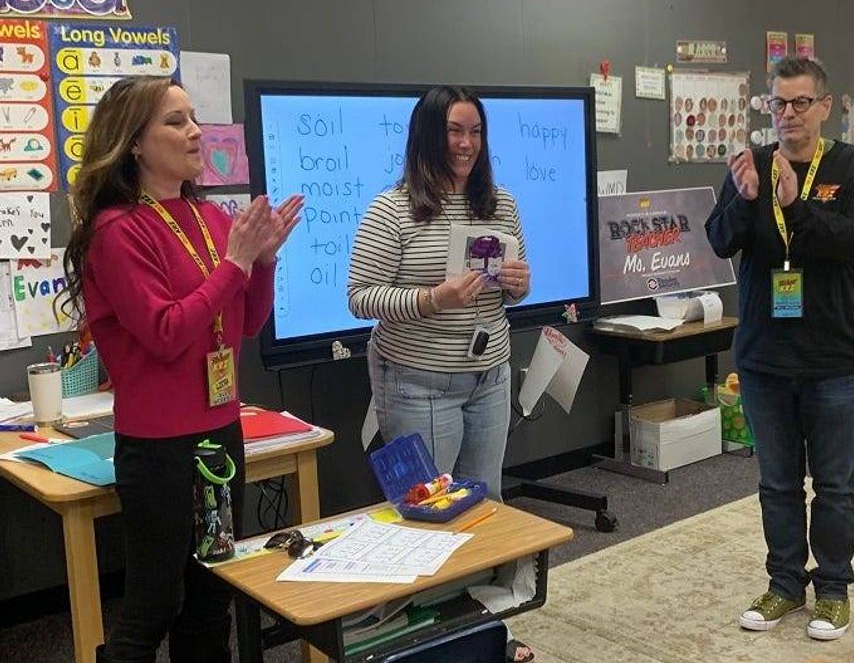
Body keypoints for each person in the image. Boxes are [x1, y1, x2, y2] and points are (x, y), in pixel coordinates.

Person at [60, 76, 303, 662]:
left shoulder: (212, 217)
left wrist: (262, 263)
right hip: (159, 448)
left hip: (219, 433)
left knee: (211, 597)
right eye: (175, 122)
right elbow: (165, 333)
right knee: (153, 604)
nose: (195, 132)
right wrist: (236, 264)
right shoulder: (116, 230)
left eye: (194, 117)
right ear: (133, 143)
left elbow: (246, 323)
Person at [347, 85, 533, 662]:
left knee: (487, 502)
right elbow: (361, 296)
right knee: (429, 512)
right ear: (429, 135)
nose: (466, 143)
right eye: (455, 131)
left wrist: (520, 285)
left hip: (490, 373)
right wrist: (433, 299)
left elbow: (512, 285)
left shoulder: (500, 203)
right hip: (419, 381)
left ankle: (486, 628)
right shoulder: (392, 208)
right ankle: (425, 639)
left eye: (475, 132)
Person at [705, 57, 854, 641]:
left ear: (824, 106)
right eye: (778, 103)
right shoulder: (752, 165)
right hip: (765, 358)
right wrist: (744, 198)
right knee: (777, 485)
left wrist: (794, 206)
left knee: (834, 486)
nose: (789, 114)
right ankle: (784, 584)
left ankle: (832, 589)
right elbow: (719, 240)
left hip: (835, 358)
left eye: (801, 102)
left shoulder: (853, 166)